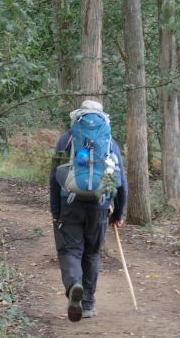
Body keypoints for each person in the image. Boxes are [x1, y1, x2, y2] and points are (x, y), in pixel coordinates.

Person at [49, 100, 128, 322]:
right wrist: (118, 213)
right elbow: (121, 181)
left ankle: (74, 283)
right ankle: (88, 304)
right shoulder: (110, 142)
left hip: (70, 202)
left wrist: (55, 209)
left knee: (70, 251)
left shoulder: (66, 140)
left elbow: (54, 177)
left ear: (79, 116)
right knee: (92, 253)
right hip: (100, 205)